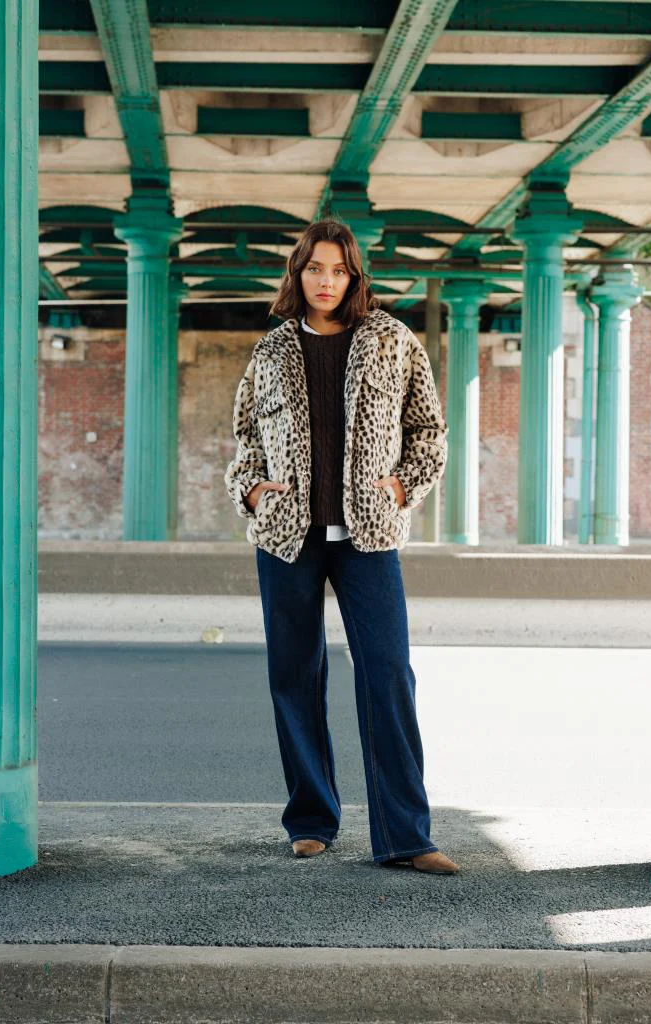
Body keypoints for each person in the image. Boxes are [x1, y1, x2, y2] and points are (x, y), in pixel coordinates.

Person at [223, 218, 459, 875]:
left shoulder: (392, 340)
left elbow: (428, 430)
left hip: (369, 536)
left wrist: (402, 486)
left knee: (388, 674)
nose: (326, 281)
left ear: (355, 276)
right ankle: (310, 821)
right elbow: (245, 437)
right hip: (285, 538)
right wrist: (252, 491)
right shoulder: (271, 352)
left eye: (338, 270)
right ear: (297, 274)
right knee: (295, 675)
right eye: (314, 269)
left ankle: (406, 835)